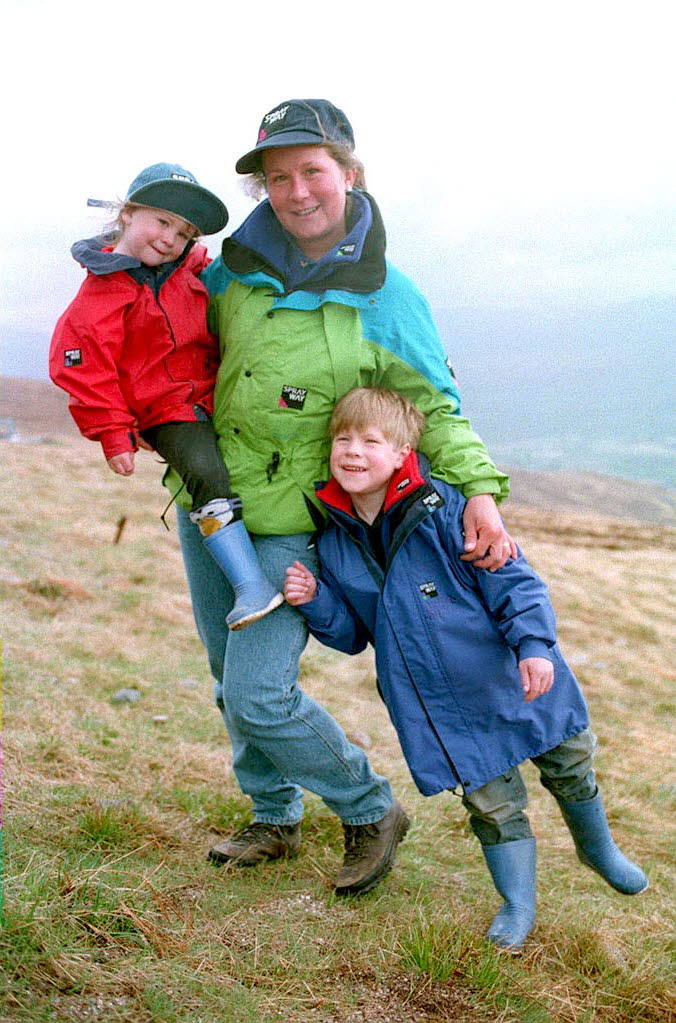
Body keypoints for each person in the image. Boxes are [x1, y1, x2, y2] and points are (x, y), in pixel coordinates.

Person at [172, 98, 517, 895]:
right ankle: (272, 814)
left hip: (293, 521)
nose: (296, 192)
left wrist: (480, 491)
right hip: (212, 505)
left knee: (259, 693)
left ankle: (368, 806)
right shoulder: (229, 273)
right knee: (229, 674)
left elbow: (434, 408)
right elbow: (168, 338)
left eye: (312, 172)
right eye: (277, 178)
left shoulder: (388, 295)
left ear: (350, 174)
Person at [284, 386, 648, 947]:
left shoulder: (448, 509)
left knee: (571, 761)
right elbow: (355, 635)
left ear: (403, 452)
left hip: (508, 671)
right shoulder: (333, 540)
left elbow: (513, 582)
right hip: (439, 703)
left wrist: (533, 646)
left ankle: (597, 850)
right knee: (492, 804)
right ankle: (517, 904)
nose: (353, 452)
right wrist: (316, 602)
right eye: (343, 439)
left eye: (371, 441)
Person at [50, 163, 283, 630]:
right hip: (166, 410)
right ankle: (251, 584)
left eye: (184, 233)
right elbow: (84, 366)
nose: (170, 239)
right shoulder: (102, 292)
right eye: (162, 221)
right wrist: (113, 432)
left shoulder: (195, 272)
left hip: (218, 393)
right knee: (204, 470)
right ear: (128, 213)